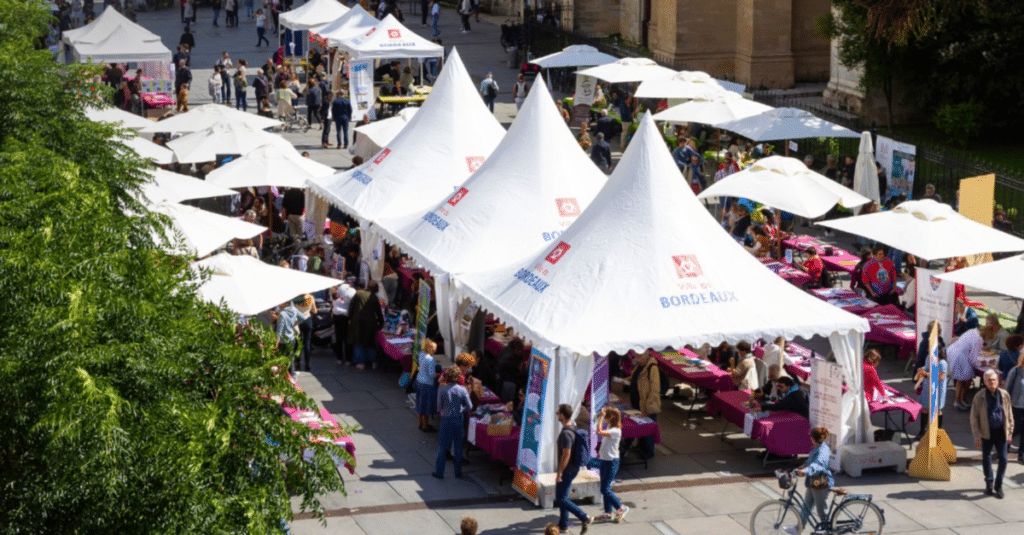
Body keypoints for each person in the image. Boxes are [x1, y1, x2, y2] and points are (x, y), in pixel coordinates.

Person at [970, 369, 1014, 498]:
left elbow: (1009, 414)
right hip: (987, 432)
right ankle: (989, 483)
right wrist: (977, 436)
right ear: (984, 382)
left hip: (1001, 432)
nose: (992, 382)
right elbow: (974, 417)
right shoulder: (979, 396)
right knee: (986, 458)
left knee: (1004, 460)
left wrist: (1010, 432)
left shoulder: (1004, 394)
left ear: (998, 381)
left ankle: (998, 485)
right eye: (989, 380)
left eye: (994, 380)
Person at [554, 403, 592, 534]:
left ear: (562, 416)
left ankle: (584, 517)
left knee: (561, 499)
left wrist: (559, 472)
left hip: (567, 470)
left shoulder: (566, 434)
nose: (557, 415)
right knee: (563, 496)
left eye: (557, 413)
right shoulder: (573, 427)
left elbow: (566, 454)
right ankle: (563, 524)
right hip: (573, 468)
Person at [619, 350, 660, 460]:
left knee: (647, 430)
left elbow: (655, 389)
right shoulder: (640, 366)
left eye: (639, 356)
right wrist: (623, 381)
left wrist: (648, 406)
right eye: (636, 356)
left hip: (647, 405)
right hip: (638, 402)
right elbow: (633, 379)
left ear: (646, 355)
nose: (637, 358)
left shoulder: (652, 367)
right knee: (640, 428)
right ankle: (641, 447)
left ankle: (648, 452)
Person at [591, 407, 629, 523]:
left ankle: (621, 507)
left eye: (606, 416)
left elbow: (599, 432)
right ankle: (608, 513)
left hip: (611, 462)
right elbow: (606, 442)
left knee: (605, 489)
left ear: (610, 418)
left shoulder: (615, 431)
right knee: (605, 488)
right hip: (605, 460)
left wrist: (600, 418)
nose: (605, 418)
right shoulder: (611, 428)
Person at [433, 367, 472, 479]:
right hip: (457, 419)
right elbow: (469, 406)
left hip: (446, 419)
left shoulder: (442, 390)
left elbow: (438, 407)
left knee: (442, 447)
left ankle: (439, 472)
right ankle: (458, 472)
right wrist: (461, 410)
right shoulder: (462, 390)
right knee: (458, 446)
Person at [913, 331, 949, 440]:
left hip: (937, 389)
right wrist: (922, 369)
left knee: (936, 410)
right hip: (927, 387)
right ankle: (922, 431)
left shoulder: (942, 363)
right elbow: (927, 367)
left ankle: (937, 432)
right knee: (924, 408)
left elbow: (940, 377)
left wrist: (927, 374)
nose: (928, 350)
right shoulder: (929, 357)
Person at [796, 427, 833, 527]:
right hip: (813, 481)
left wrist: (804, 471)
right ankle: (798, 528)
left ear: (814, 439)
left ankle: (827, 531)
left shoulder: (823, 451)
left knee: (822, 511)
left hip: (820, 483)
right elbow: (811, 461)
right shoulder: (817, 447)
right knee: (806, 506)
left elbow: (817, 466)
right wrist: (804, 465)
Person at [347, 280, 384, 370]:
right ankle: (373, 362)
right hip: (371, 322)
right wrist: (381, 322)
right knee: (370, 342)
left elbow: (351, 307)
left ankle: (360, 363)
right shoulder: (374, 297)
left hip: (358, 322)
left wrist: (350, 317)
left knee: (358, 341)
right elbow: (378, 311)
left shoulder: (359, 293)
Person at [950, 329, 984, 410]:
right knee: (965, 380)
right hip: (961, 358)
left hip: (956, 354)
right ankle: (960, 401)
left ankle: (960, 401)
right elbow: (973, 359)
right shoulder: (978, 339)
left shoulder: (973, 331)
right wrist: (981, 364)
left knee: (961, 380)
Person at [1002, 351, 1024, 462]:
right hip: (1016, 406)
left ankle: (1022, 454)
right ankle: (1005, 449)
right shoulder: (1015, 371)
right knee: (1014, 429)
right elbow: (1007, 389)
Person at [416, 339, 439, 432]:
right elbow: (432, 374)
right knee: (426, 406)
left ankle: (420, 423)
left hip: (419, 381)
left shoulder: (421, 354)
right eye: (433, 349)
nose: (435, 351)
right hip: (427, 384)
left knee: (420, 404)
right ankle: (425, 426)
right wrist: (439, 374)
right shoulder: (430, 359)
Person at [274, 296, 302, 370]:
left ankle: (286, 377)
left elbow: (279, 329)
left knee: (282, 361)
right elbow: (302, 318)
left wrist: (276, 343)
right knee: (290, 360)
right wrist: (294, 324)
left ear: (285, 303)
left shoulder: (282, 314)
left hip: (283, 341)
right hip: (291, 338)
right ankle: (292, 377)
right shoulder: (294, 310)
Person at [331, 282, 356, 364]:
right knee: (346, 338)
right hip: (345, 318)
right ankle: (348, 359)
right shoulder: (347, 297)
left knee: (339, 338)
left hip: (337, 317)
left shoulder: (335, 298)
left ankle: (339, 358)